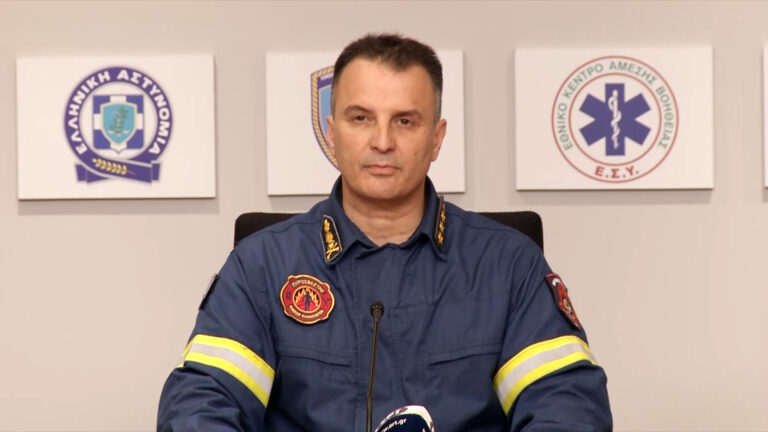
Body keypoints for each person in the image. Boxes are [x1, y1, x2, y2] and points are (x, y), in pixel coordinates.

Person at [157, 33, 612, 432]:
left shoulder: (508, 265)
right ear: (331, 133)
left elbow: (567, 407)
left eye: (404, 121)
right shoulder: (261, 266)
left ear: (436, 139)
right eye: (361, 118)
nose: (382, 141)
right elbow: (201, 405)